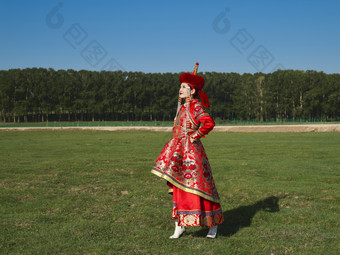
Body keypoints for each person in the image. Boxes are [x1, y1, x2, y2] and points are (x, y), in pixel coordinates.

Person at [151, 63, 224, 239]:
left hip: (192, 154)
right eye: (180, 87)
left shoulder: (196, 107)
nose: (180, 89)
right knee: (179, 189)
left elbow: (209, 123)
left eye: (184, 87)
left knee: (198, 189)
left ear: (192, 91)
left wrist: (194, 135)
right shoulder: (183, 107)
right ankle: (180, 226)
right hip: (179, 153)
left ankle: (211, 226)